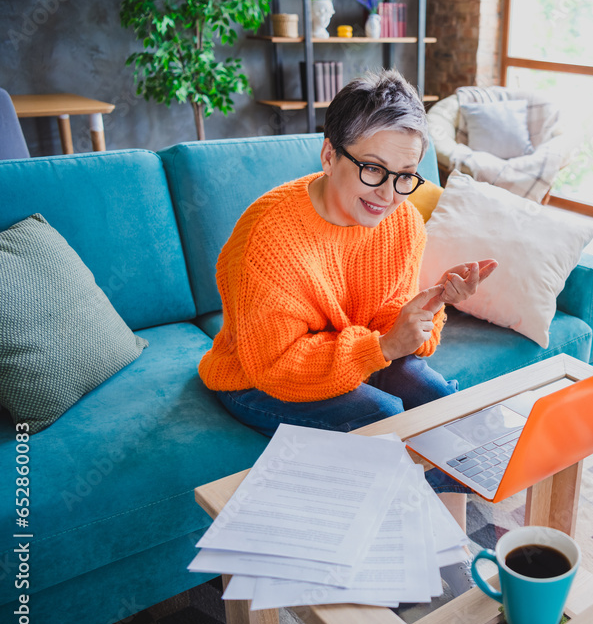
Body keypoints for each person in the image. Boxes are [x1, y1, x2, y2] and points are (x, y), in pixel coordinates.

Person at [198, 69, 496, 592]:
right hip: (254, 374)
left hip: (349, 352)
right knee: (381, 420)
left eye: (406, 175)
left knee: (440, 403)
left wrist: (425, 309)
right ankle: (386, 583)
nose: (390, 193)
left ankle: (451, 561)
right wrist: (382, 347)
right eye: (374, 170)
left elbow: (392, 329)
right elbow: (274, 364)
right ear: (330, 155)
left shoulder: (400, 220)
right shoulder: (270, 237)